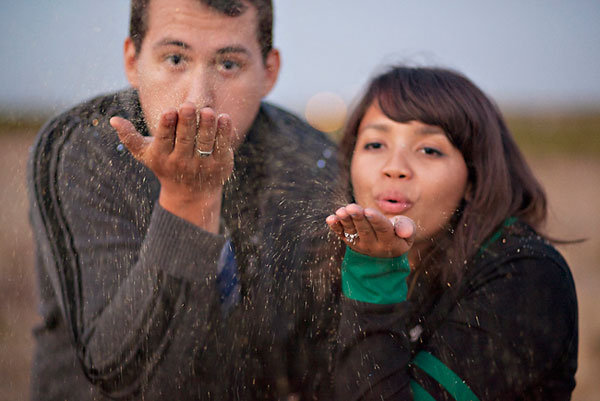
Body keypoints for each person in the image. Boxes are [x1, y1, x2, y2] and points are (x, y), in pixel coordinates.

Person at [27, 0, 341, 399]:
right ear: (132, 60)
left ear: (269, 72)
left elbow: (320, 357)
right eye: (175, 58)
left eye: (228, 65)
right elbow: (121, 376)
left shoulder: (311, 161)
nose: (198, 100)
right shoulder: (81, 147)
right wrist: (188, 202)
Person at [326, 66, 578, 400]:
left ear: (474, 180)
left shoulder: (526, 275)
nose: (395, 167)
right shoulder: (331, 257)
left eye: (429, 150)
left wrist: (374, 272)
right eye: (375, 144)